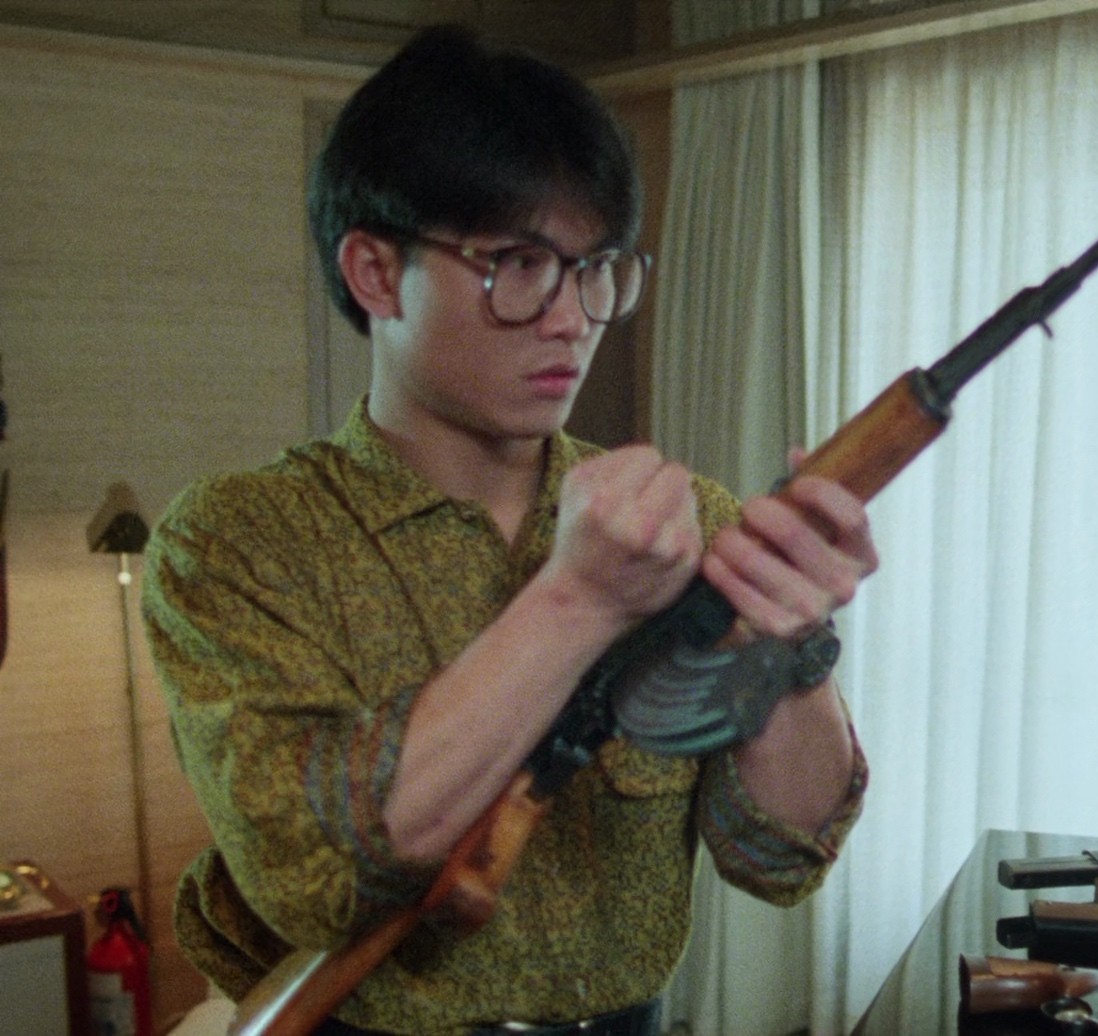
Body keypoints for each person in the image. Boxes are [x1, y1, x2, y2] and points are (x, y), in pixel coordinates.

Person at [143, 24, 876, 1036]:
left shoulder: (683, 521)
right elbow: (314, 875)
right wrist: (577, 600)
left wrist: (795, 635)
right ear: (373, 272)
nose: (573, 317)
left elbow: (779, 858)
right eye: (519, 264)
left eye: (595, 269)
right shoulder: (239, 542)